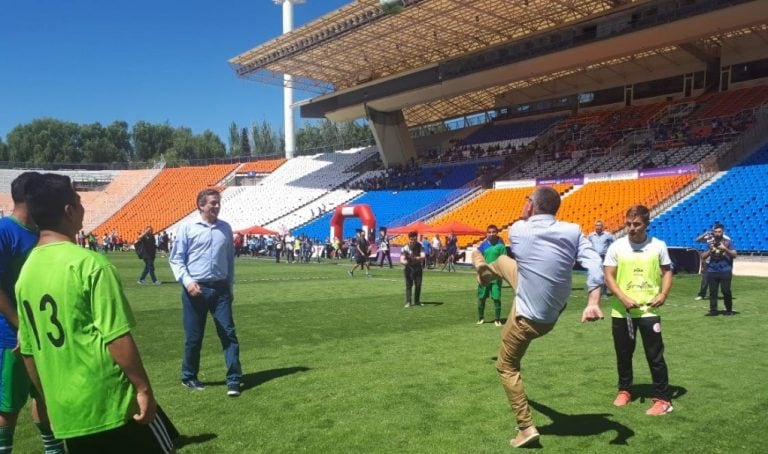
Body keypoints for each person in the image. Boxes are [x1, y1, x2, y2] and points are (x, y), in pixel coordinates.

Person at [16, 173, 176, 453]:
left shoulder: (25, 274)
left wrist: (48, 399)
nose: (82, 207)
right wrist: (143, 389)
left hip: (68, 410)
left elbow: (27, 351)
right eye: (79, 201)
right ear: (69, 211)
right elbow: (116, 336)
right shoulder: (90, 264)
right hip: (110, 401)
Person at [471, 186, 604, 448]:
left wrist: (527, 210)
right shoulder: (573, 230)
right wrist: (593, 301)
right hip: (550, 311)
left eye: (527, 201)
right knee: (503, 262)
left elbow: (524, 223)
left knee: (506, 366)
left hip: (528, 317)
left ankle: (526, 427)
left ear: (531, 205)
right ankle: (484, 271)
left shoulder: (519, 231)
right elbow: (595, 263)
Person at [0, 172, 65, 453]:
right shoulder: (4, 231)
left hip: (43, 333)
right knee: (8, 405)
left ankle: (53, 450)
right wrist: (20, 325)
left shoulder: (40, 233)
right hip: (10, 337)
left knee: (43, 395)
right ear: (29, 197)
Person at [169, 188, 242, 397]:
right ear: (201, 206)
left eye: (218, 202)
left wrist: (230, 287)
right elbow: (176, 259)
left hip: (220, 289)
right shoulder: (187, 228)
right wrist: (188, 281)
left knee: (228, 333)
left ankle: (234, 379)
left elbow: (229, 261)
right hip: (195, 289)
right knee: (194, 336)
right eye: (213, 203)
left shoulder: (225, 228)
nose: (217, 206)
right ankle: (189, 376)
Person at [604, 204, 674, 416]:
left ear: (646, 225)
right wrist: (623, 298)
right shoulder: (616, 246)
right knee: (623, 354)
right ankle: (625, 390)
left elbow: (667, 272)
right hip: (622, 311)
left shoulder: (658, 245)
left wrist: (663, 294)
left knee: (655, 355)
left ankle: (663, 399)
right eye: (628, 224)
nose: (631, 228)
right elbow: (608, 276)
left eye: (636, 224)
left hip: (648, 311)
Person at [701, 223, 737, 316]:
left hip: (725, 270)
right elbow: (703, 256)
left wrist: (725, 249)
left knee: (726, 291)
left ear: (722, 232)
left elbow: (734, 255)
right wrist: (710, 250)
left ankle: (729, 310)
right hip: (712, 270)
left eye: (719, 231)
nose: (717, 233)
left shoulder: (728, 242)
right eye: (716, 232)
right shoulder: (710, 243)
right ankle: (713, 310)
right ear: (713, 232)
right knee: (713, 291)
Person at [475, 225, 506, 326]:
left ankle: (497, 319)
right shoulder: (483, 245)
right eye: (489, 232)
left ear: (497, 233)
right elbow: (477, 257)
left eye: (494, 232)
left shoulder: (501, 245)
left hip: (496, 276)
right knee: (481, 298)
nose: (491, 234)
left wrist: (502, 274)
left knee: (496, 298)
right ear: (487, 233)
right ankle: (481, 318)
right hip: (484, 276)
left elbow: (504, 261)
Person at [693, 222, 730, 301]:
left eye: (717, 230)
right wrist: (704, 234)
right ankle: (702, 294)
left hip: (719, 261)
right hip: (709, 260)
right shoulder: (709, 237)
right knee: (705, 279)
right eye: (714, 230)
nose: (715, 232)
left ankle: (721, 294)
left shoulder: (726, 238)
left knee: (720, 279)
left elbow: (728, 247)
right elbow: (697, 240)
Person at [587, 220, 615, 298]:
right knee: (595, 275)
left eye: (599, 226)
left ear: (602, 227)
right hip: (594, 258)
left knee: (604, 275)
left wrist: (610, 252)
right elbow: (587, 245)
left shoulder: (608, 235)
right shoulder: (591, 235)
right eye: (596, 225)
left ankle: (604, 292)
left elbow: (614, 243)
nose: (598, 227)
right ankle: (594, 291)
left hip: (604, 257)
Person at [400, 231, 425, 308]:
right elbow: (401, 260)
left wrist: (418, 258)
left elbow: (423, 256)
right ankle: (408, 302)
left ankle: (417, 301)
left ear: (416, 238)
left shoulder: (420, 246)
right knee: (408, 285)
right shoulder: (405, 247)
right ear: (409, 239)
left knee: (418, 285)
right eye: (411, 239)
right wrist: (407, 262)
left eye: (414, 239)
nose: (412, 241)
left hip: (418, 268)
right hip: (408, 268)